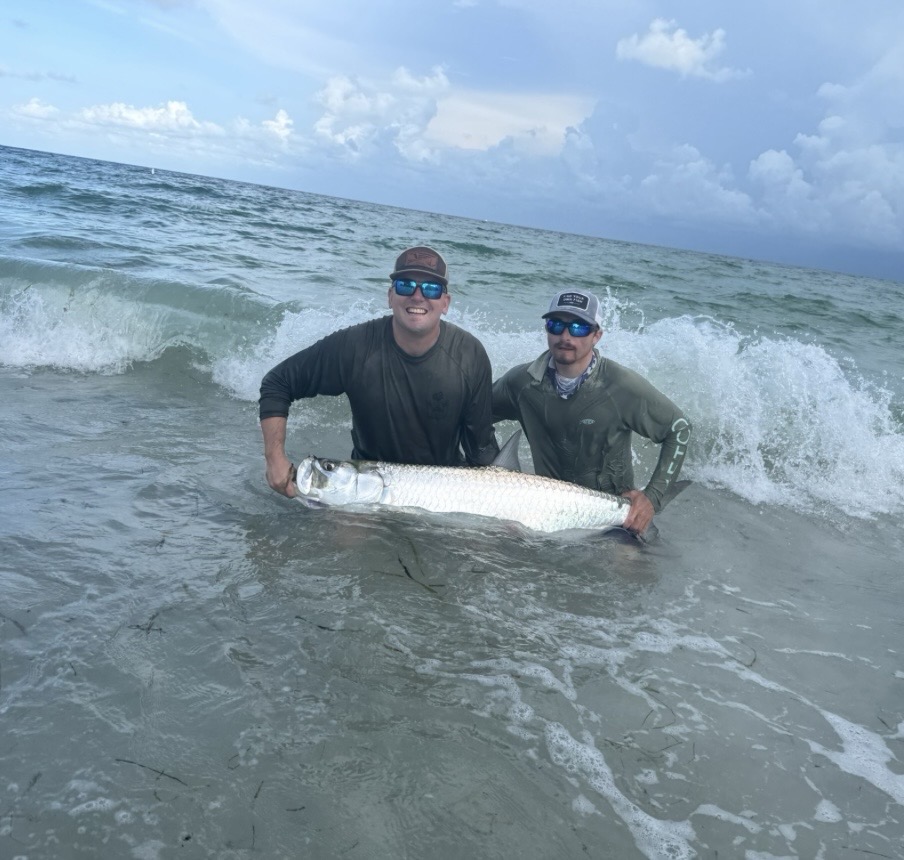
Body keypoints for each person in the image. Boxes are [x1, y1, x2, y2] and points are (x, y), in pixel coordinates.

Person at [259, 246, 500, 497]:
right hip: (366, 487)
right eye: (405, 285)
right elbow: (278, 382)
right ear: (390, 296)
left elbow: (480, 450)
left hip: (443, 492)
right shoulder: (356, 346)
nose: (418, 296)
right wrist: (274, 458)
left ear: (445, 303)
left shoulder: (470, 355)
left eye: (431, 288)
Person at [492, 288, 691, 535]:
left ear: (597, 335)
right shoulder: (521, 383)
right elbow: (475, 415)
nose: (565, 336)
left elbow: (679, 428)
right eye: (556, 325)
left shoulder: (620, 386)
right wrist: (494, 479)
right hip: (543, 514)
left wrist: (652, 498)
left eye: (579, 328)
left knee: (635, 572)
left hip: (614, 521)